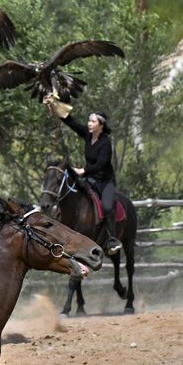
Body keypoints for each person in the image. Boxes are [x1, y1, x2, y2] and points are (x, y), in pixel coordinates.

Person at [45, 96, 122, 255]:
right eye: (89, 121)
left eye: (92, 121)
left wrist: (83, 171)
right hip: (90, 180)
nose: (89, 124)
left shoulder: (106, 143)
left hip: (105, 182)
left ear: (101, 125)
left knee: (107, 206)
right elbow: (71, 122)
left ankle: (111, 240)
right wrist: (56, 106)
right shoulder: (87, 135)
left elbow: (102, 164)